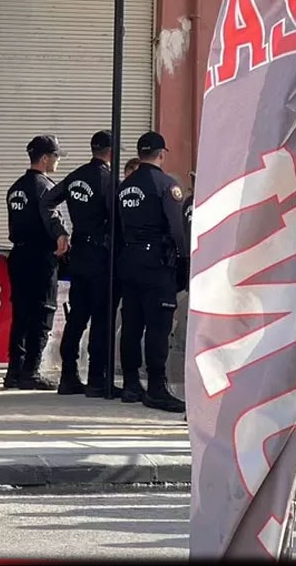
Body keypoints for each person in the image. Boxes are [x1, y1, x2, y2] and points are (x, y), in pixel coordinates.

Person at [40, 130, 115, 397]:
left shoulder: (75, 177)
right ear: (111, 151)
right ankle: (96, 378)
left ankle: (68, 375)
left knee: (77, 316)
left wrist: (59, 232)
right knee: (101, 317)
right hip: (101, 255)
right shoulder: (108, 180)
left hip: (80, 252)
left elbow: (47, 202)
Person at [115, 132, 186, 413]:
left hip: (129, 260)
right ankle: (157, 387)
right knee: (158, 326)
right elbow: (177, 229)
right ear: (161, 154)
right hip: (157, 263)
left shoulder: (125, 186)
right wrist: (184, 262)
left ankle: (131, 384)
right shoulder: (166, 185)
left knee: (131, 324)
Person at [3, 135, 68, 392]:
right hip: (40, 256)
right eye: (56, 156)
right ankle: (31, 371)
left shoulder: (16, 187)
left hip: (19, 255)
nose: (58, 161)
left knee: (21, 314)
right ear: (44, 158)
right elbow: (50, 219)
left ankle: (14, 371)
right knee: (42, 313)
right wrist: (61, 236)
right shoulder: (45, 188)